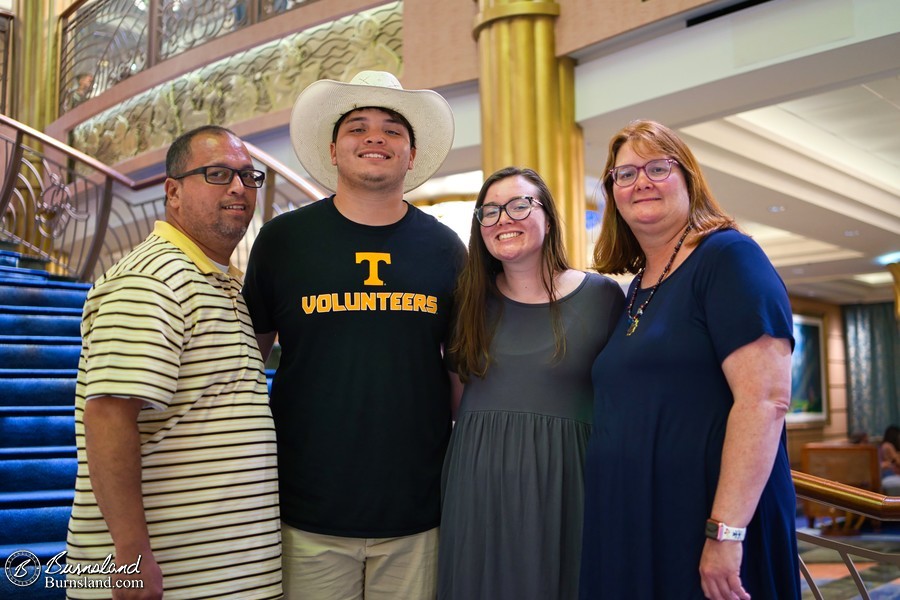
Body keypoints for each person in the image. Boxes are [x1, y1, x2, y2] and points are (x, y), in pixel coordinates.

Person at [242, 71, 466, 599]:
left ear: (411, 155)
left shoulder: (446, 248)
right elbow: (249, 364)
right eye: (358, 127)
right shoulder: (283, 241)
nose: (375, 138)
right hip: (305, 507)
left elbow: (459, 370)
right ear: (333, 150)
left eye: (392, 130)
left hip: (416, 510)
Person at [580, 120, 800, 599]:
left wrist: (726, 531)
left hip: (708, 520)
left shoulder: (729, 257)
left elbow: (766, 401)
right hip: (639, 518)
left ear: (688, 178)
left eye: (657, 167)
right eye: (625, 174)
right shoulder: (638, 286)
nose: (641, 181)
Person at [65, 125, 282, 599]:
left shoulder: (220, 282)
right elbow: (107, 414)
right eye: (218, 174)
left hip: (221, 570)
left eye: (249, 177)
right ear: (173, 191)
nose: (239, 188)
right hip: (168, 576)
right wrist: (131, 553)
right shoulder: (152, 279)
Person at [438, 167, 624, 599]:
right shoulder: (466, 301)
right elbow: (456, 396)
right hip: (477, 484)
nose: (504, 218)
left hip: (566, 484)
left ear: (548, 216)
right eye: (490, 211)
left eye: (519, 205)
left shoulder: (602, 297)